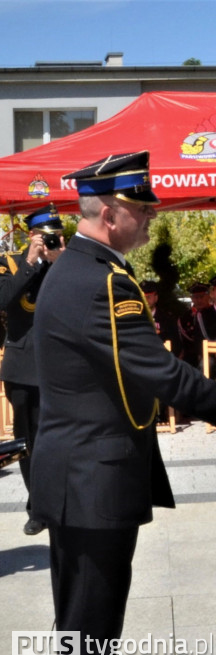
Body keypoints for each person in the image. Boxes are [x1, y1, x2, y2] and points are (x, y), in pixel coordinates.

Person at [30, 151, 216, 655]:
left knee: (84, 629)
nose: (151, 219)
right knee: (90, 632)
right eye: (142, 211)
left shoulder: (78, 269)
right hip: (91, 480)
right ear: (109, 214)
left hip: (79, 475)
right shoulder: (100, 281)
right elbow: (164, 375)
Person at [0, 204, 64, 535]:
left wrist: (62, 262)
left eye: (56, 235)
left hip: (59, 366)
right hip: (22, 365)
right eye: (46, 236)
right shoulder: (9, 263)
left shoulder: (66, 263)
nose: (52, 241)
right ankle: (37, 505)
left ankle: (59, 499)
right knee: (28, 439)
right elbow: (3, 300)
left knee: (58, 437)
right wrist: (28, 263)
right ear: (32, 236)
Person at [139, 279, 181, 356]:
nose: (145, 300)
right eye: (142, 297)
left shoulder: (167, 318)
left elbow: (175, 344)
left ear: (156, 297)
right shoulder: (135, 318)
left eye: (148, 297)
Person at [177, 282, 210, 367]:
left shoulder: (214, 313)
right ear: (192, 298)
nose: (199, 300)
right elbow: (183, 341)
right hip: (192, 353)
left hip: (213, 350)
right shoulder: (185, 317)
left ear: (208, 296)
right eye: (196, 297)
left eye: (202, 296)